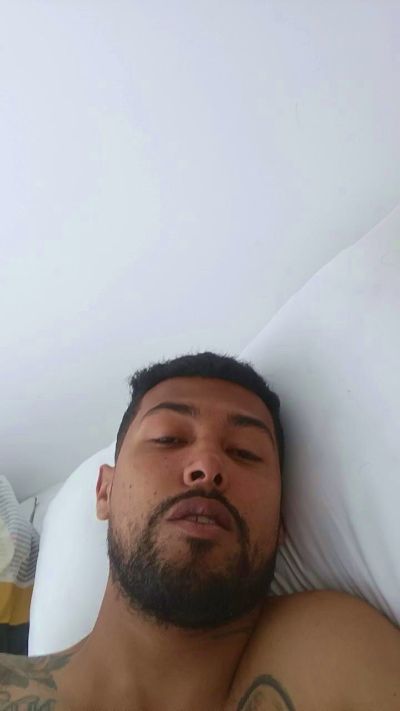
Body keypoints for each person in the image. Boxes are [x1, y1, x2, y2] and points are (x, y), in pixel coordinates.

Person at [1, 351, 399, 711]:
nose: (207, 467)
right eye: (168, 438)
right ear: (105, 491)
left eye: (244, 452)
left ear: (280, 525)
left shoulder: (335, 653)